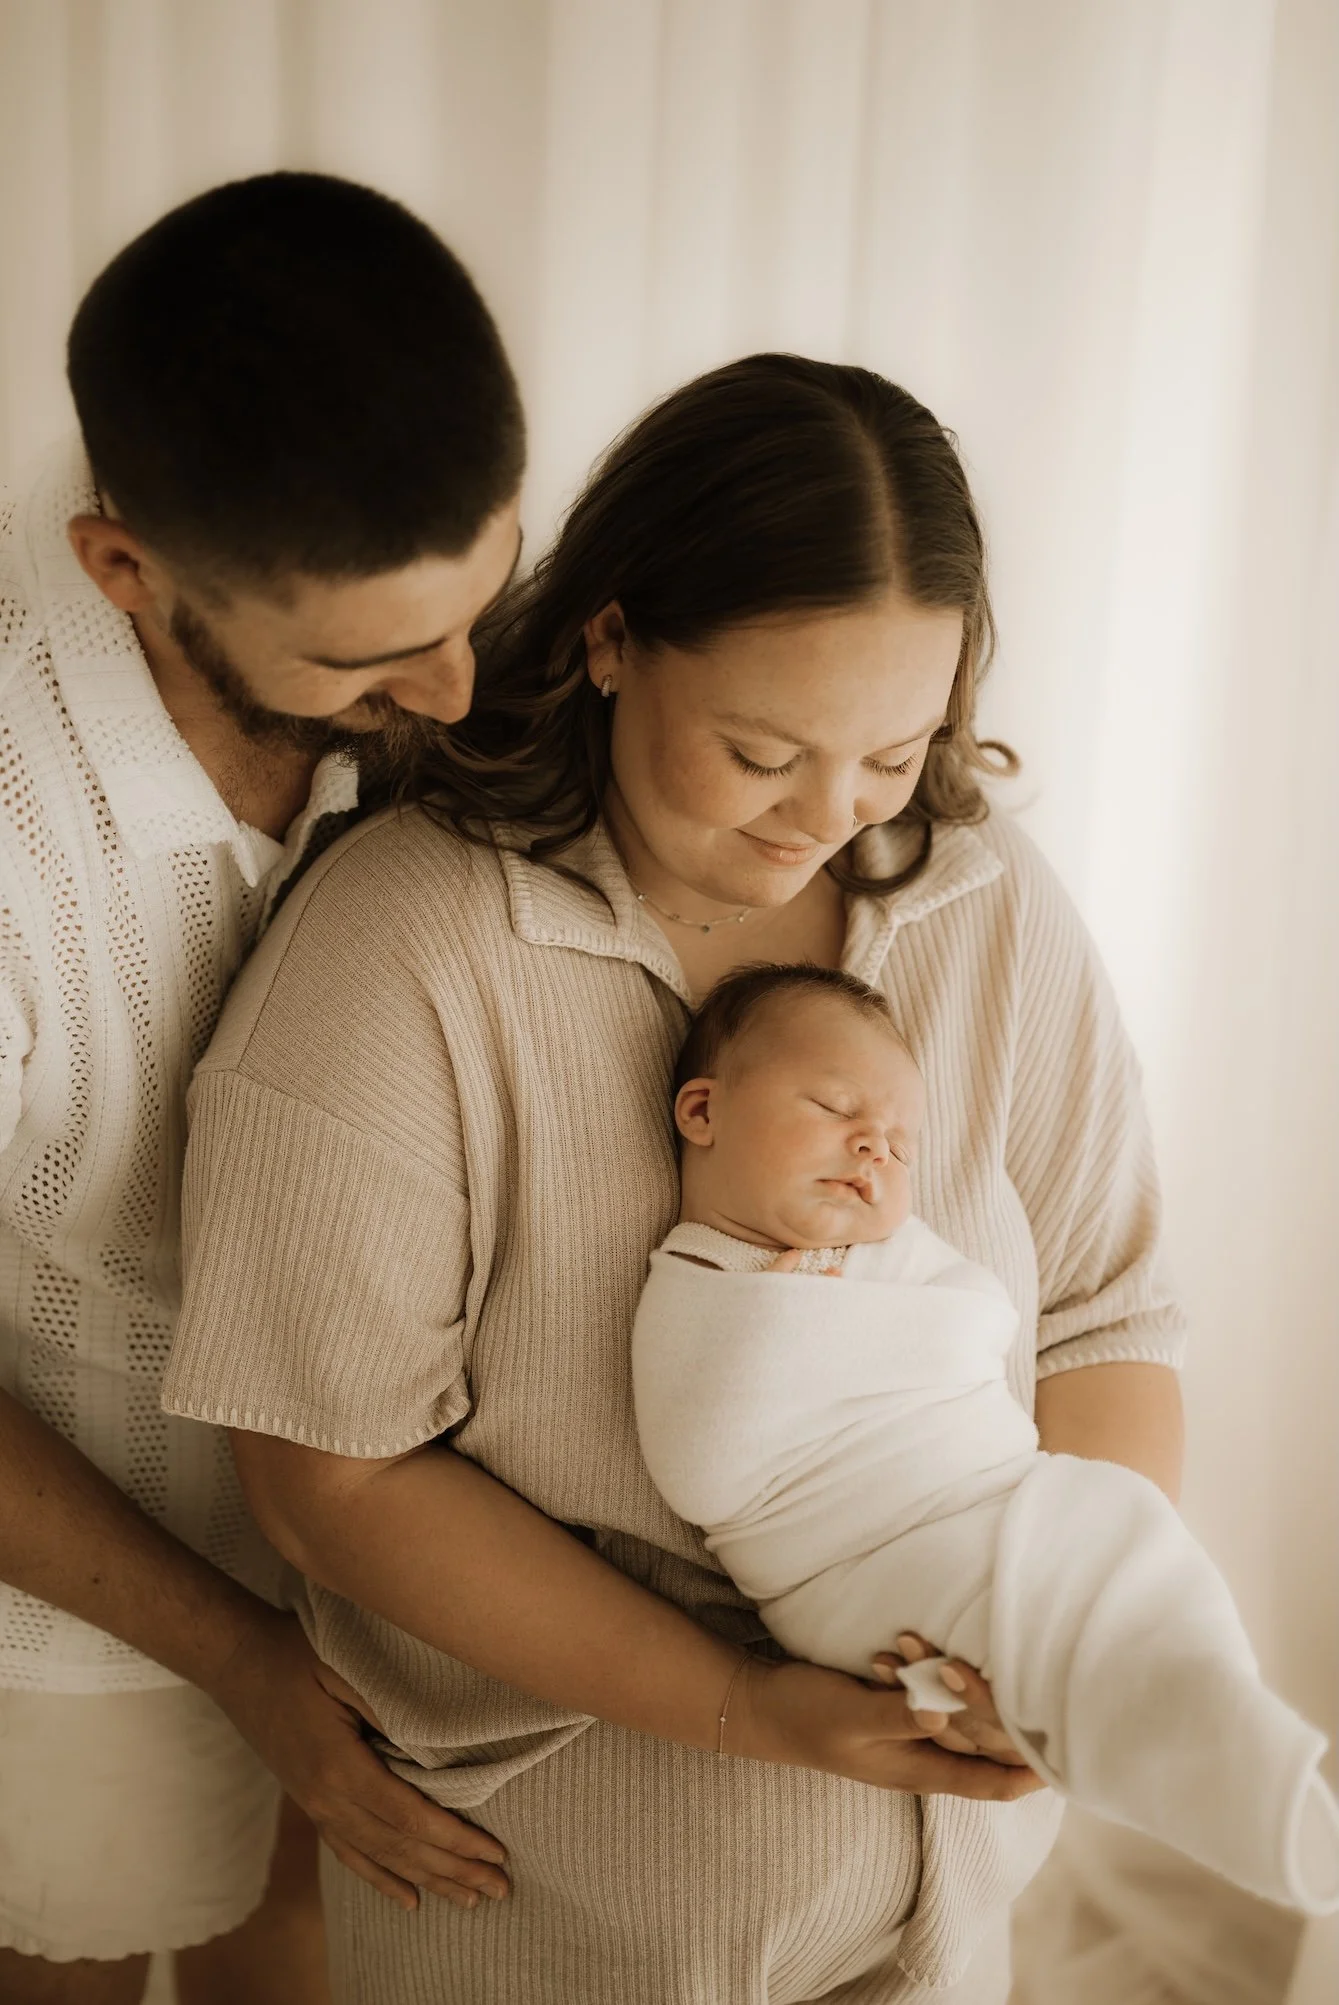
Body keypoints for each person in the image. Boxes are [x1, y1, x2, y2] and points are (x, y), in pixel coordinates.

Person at [161, 353, 1184, 2005]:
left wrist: (1065, 1631)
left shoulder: (981, 902)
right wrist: (734, 1708)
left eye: (888, 751)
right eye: (765, 751)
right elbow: (327, 1470)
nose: (829, 818)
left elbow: (1103, 1313)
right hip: (558, 1899)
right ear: (610, 639)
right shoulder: (406, 949)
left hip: (945, 1899)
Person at [0, 171, 524, 2004]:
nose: (459, 693)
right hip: (60, 1629)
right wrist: (239, 1664)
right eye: (373, 659)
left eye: (482, 595)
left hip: (378, 1596)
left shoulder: (430, 709)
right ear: (126, 570)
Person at [631, 961, 1339, 1916]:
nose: (874, 1150)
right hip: (849, 1561)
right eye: (837, 1108)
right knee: (1061, 1583)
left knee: (1120, 1529)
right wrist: (803, 1316)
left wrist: (846, 1307)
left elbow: (976, 1317)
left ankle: (1195, 1721)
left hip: (970, 1506)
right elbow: (708, 1462)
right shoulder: (691, 1289)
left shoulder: (885, 1254)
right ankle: (1180, 1747)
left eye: (898, 1144)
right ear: (703, 1113)